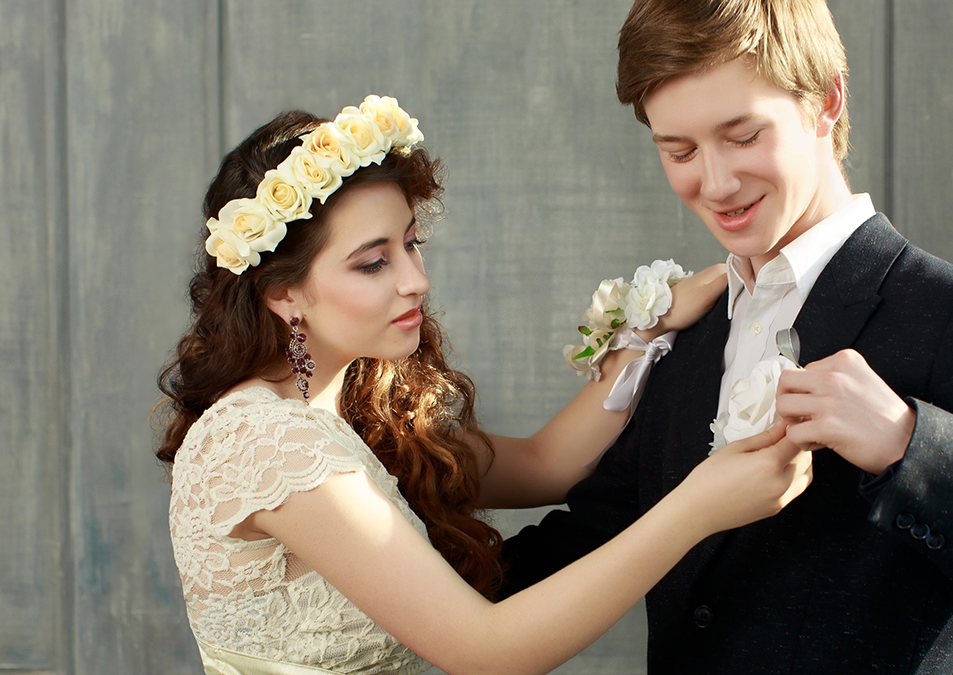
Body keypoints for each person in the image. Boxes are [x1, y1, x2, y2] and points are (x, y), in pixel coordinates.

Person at [499, 1, 953, 672]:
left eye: (743, 136)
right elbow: (580, 544)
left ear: (826, 100)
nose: (715, 183)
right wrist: (383, 547)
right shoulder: (685, 335)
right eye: (679, 150)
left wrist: (908, 445)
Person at [156, 97, 815, 675]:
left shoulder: (354, 413)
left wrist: (649, 326)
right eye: (373, 262)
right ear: (284, 294)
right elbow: (486, 650)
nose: (415, 279)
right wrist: (696, 508)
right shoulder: (261, 439)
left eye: (411, 245)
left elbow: (547, 463)